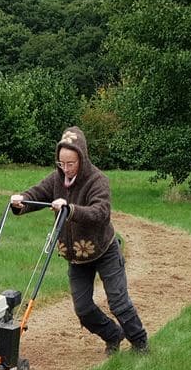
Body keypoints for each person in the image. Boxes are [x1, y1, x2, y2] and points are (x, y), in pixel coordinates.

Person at [10, 126, 148, 355]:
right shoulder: (56, 179)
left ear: (82, 159)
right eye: (61, 163)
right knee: (83, 309)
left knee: (118, 303)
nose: (65, 169)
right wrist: (21, 201)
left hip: (104, 251)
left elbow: (100, 212)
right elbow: (37, 194)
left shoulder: (97, 180)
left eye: (71, 164)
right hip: (77, 258)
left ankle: (140, 344)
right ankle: (113, 335)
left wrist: (71, 209)